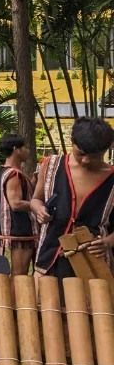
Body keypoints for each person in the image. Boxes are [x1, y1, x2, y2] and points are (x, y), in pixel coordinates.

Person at [32, 116, 114, 279]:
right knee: (46, 303)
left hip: (95, 264)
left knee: (94, 304)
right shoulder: (50, 166)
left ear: (108, 148)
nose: (85, 160)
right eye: (80, 153)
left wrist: (109, 242)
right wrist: (39, 209)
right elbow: (36, 199)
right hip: (50, 258)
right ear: (72, 142)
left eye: (94, 156)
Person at [0, 133, 36, 276]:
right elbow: (15, 203)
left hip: (7, 230)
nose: (27, 151)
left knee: (8, 275)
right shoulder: (14, 174)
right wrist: (37, 205)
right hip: (18, 231)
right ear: (16, 149)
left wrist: (33, 181)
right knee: (19, 275)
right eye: (25, 147)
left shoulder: (3, 171)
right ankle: (15, 299)